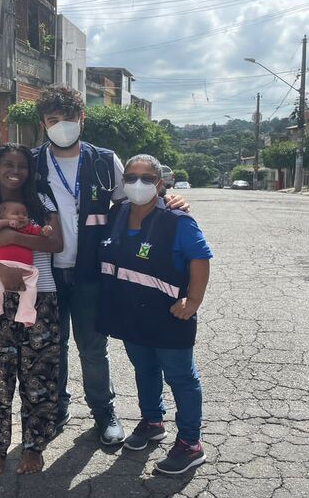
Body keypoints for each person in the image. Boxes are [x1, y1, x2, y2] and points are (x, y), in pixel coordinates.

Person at [31, 86, 188, 446]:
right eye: (53, 121)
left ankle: (103, 411)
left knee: (92, 348)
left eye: (68, 119)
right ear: (43, 124)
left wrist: (168, 199)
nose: (61, 127)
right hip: (45, 273)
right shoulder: (33, 161)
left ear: (81, 119)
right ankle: (58, 407)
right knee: (53, 346)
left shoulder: (104, 160)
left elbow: (134, 202)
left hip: (90, 272)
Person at [99, 154, 212, 475]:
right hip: (131, 315)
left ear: (160, 184)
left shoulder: (177, 219)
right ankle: (152, 421)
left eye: (147, 178)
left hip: (170, 316)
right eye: (131, 177)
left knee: (181, 377)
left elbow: (200, 259)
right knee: (144, 370)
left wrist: (193, 300)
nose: (138, 184)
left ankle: (190, 443)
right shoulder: (117, 213)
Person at [0, 143, 64, 475]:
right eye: (8, 163)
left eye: (22, 165)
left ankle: (34, 448)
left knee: (40, 373)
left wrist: (11, 239)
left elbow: (55, 243)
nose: (15, 170)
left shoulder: (42, 201)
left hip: (39, 296)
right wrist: (1, 270)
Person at [0, 201, 53, 326]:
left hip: (26, 268)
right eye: (16, 213)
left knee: (30, 291)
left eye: (25, 214)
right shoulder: (1, 227)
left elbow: (40, 233)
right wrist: (6, 223)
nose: (21, 217)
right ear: (2, 217)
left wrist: (45, 231)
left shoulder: (28, 228)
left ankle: (26, 315)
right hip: (2, 266)